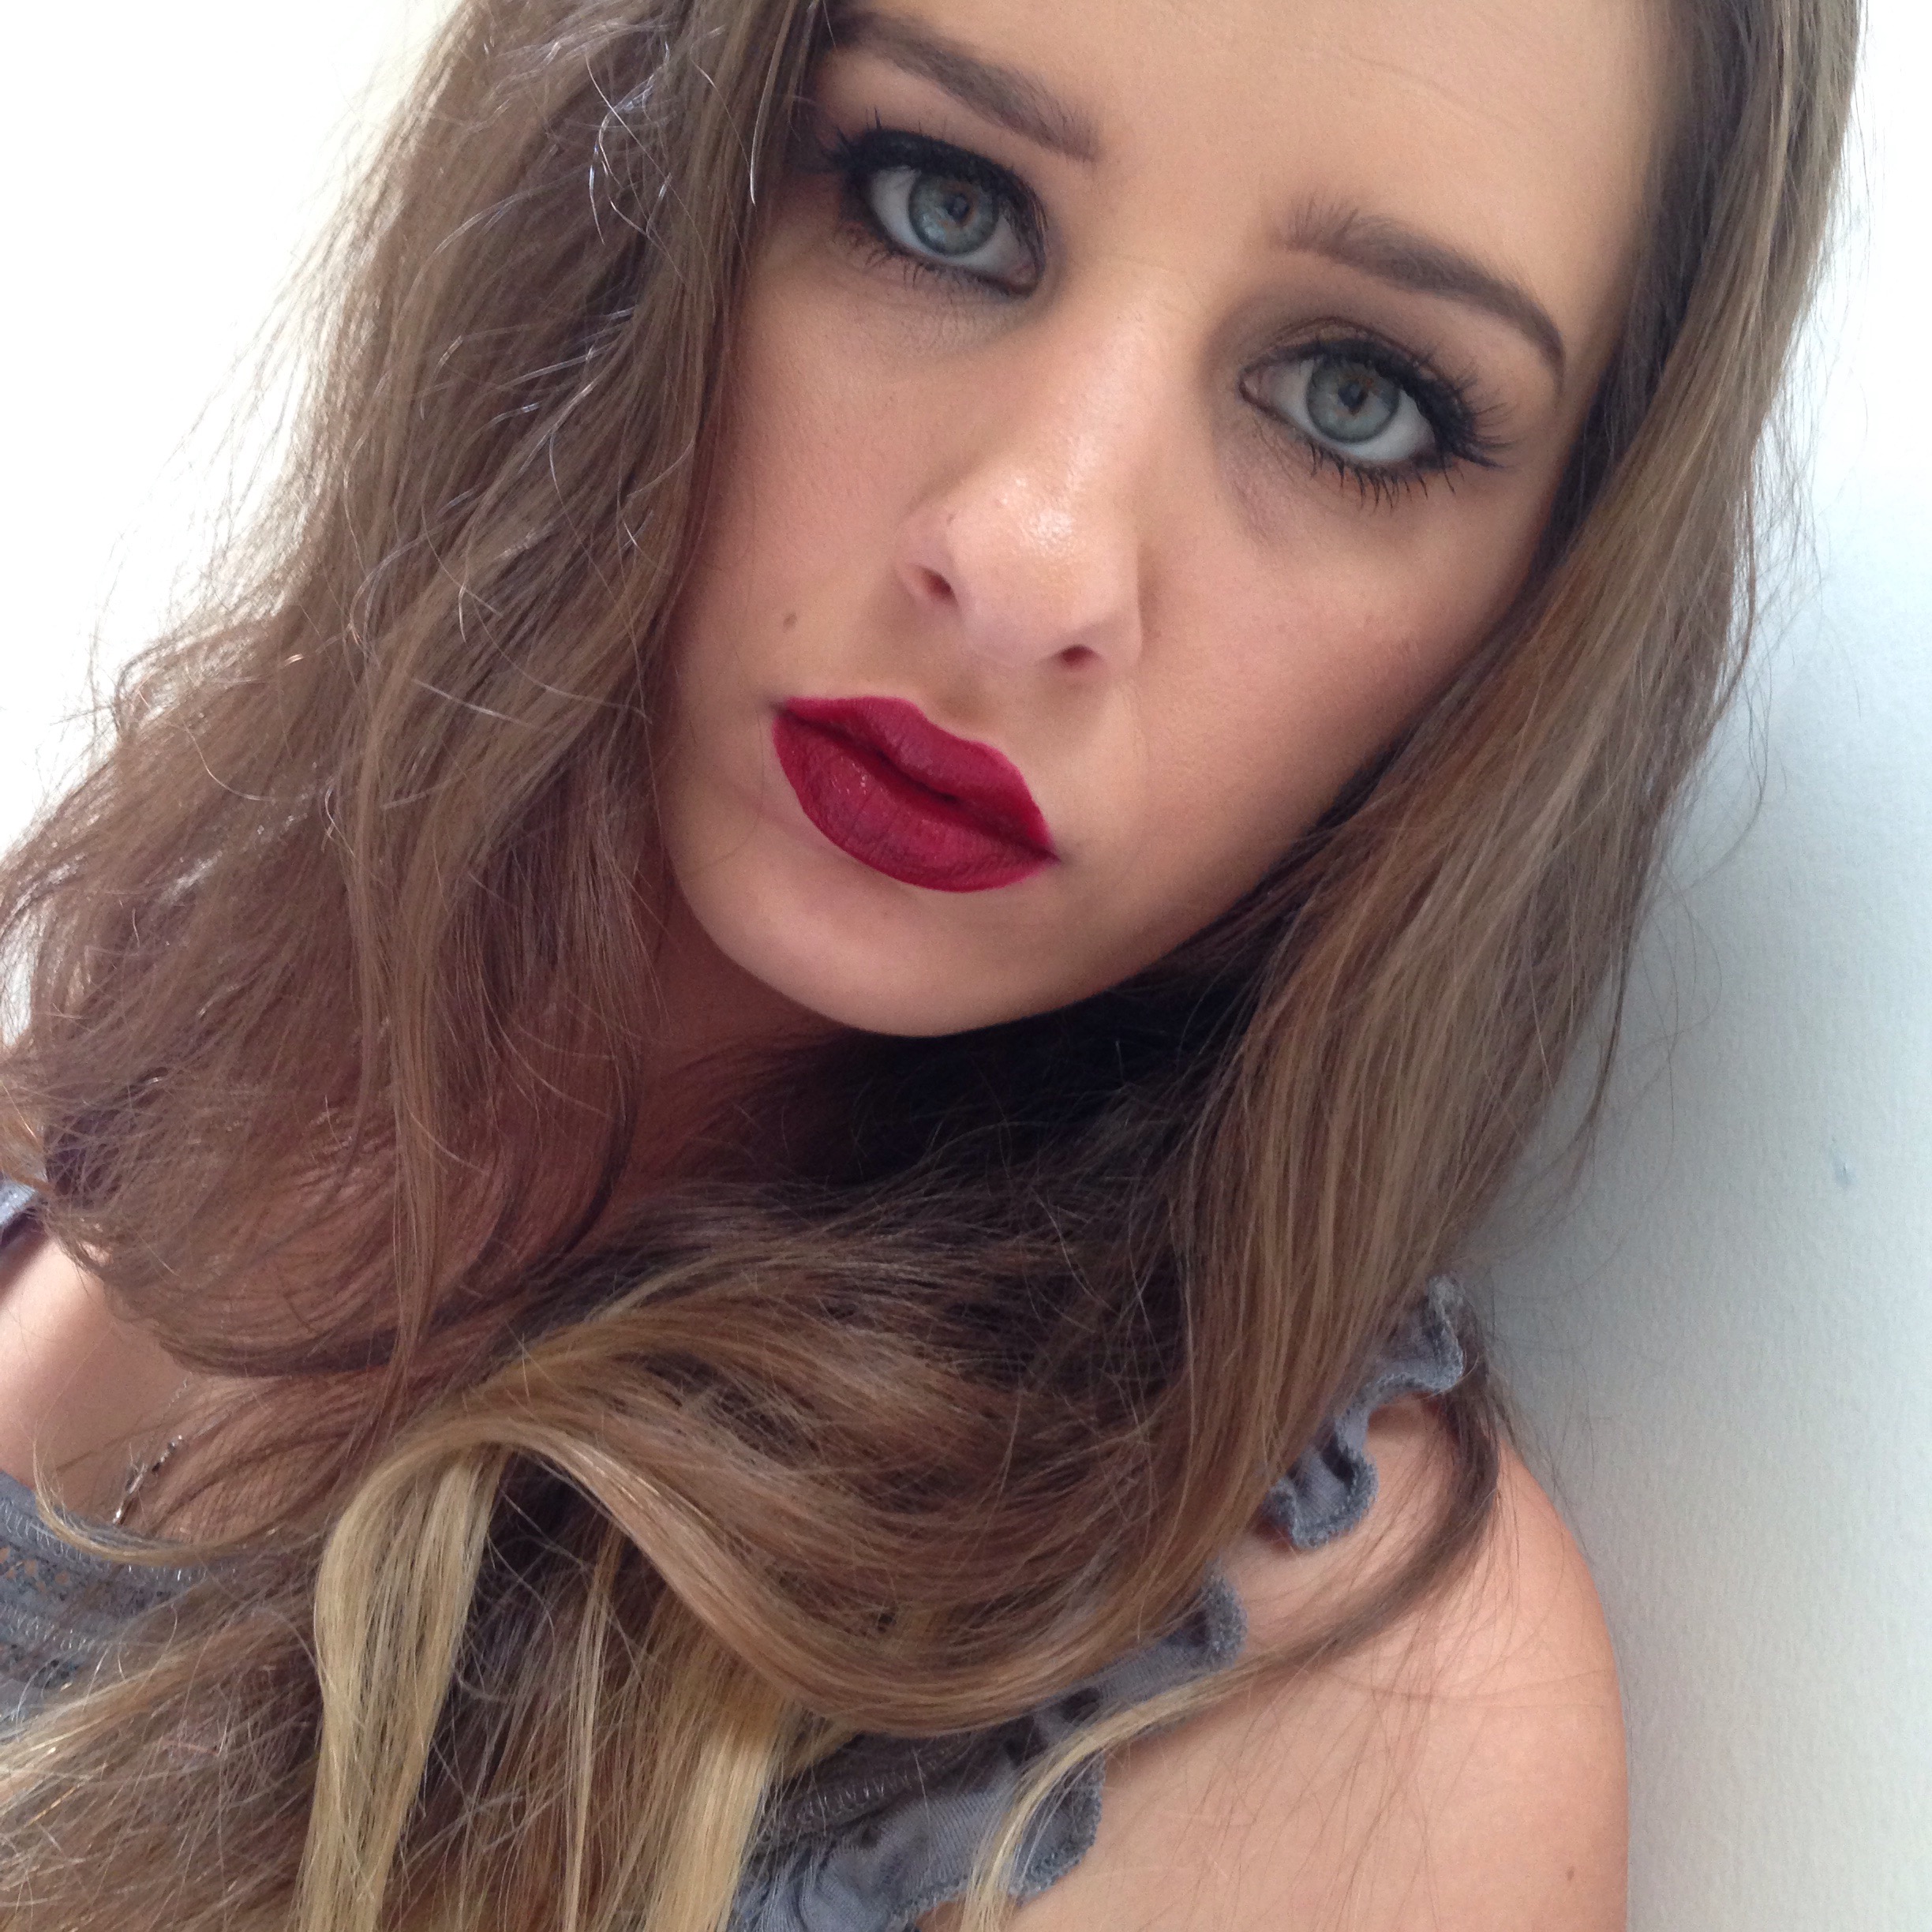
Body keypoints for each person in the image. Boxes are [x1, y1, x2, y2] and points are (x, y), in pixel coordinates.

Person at [0, 0, 1856, 1926]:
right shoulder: (124, 1037)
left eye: (1351, 398)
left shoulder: (1342, 1719)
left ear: (1540, 604)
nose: (1032, 563)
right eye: (942, 201)